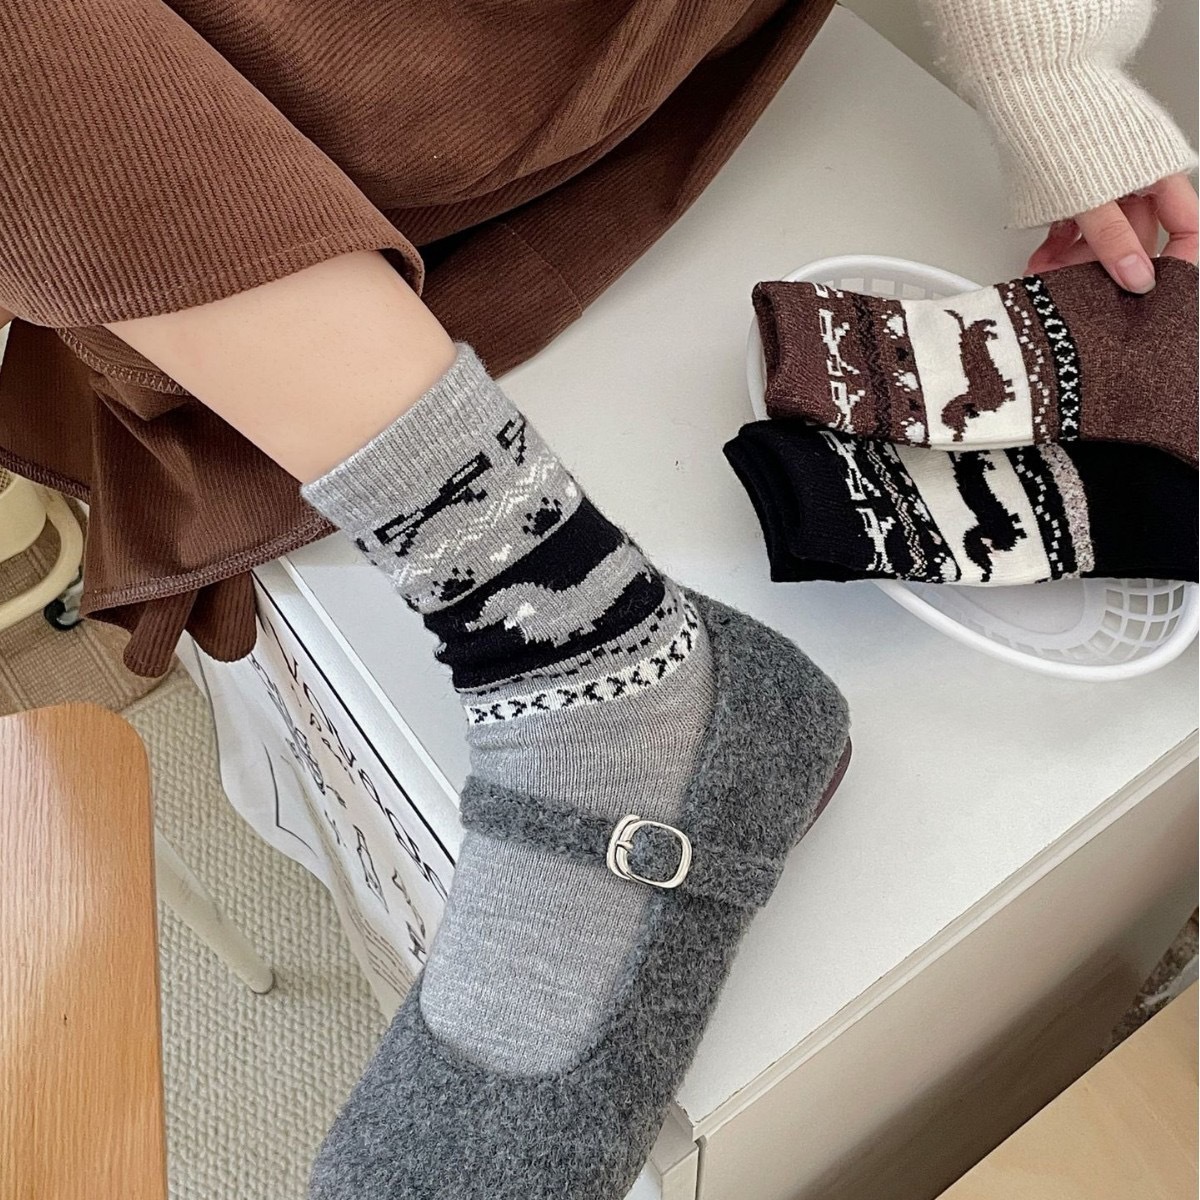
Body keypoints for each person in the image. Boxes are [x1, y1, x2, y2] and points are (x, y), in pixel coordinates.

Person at [1, 1, 1195, 1195]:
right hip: (191, 128)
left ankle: (587, 660)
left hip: (544, 60)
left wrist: (1047, 59)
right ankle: (588, 660)